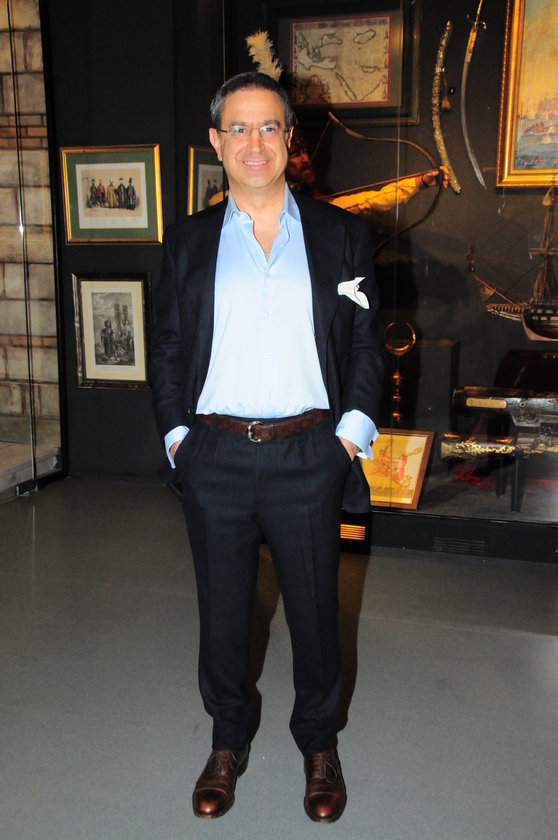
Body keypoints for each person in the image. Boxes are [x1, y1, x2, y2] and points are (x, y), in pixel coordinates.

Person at [149, 71, 384, 824]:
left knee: (315, 613)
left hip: (309, 455)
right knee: (222, 615)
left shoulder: (341, 234)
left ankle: (319, 744)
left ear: (290, 138)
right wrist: (179, 439)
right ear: (216, 143)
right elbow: (167, 348)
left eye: (270, 126)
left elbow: (366, 343)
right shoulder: (187, 241)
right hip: (215, 455)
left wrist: (348, 438)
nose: (255, 142)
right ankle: (227, 740)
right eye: (239, 128)